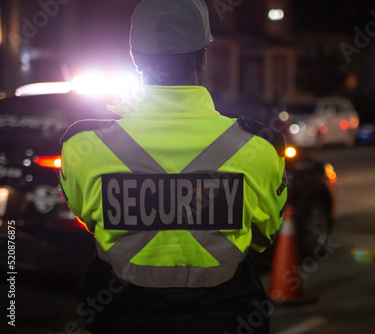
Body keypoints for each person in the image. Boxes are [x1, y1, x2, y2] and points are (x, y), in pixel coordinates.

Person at [59, 1, 287, 333]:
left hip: (123, 318)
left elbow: (90, 219)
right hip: (226, 320)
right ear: (203, 57)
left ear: (135, 58)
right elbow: (264, 235)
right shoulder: (260, 146)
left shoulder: (82, 145)